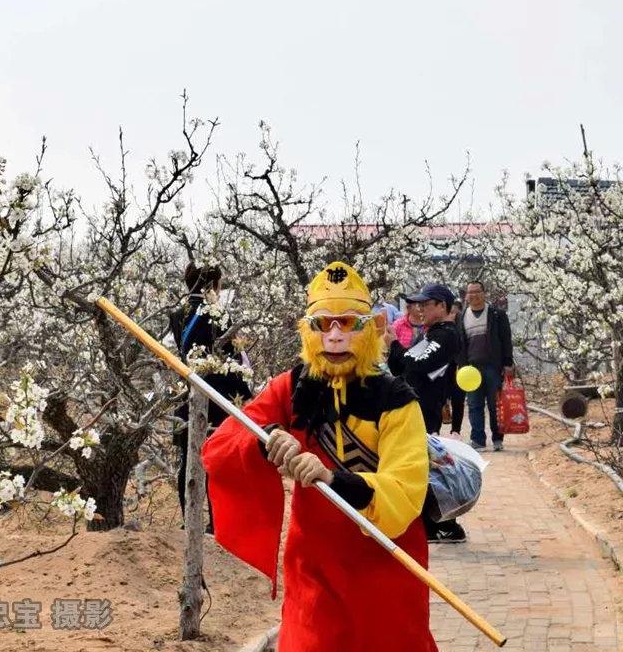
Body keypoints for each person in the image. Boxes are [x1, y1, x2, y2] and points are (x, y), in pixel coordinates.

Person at [202, 262, 437, 651]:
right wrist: (269, 438)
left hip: (386, 565)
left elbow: (405, 489)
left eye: (348, 323)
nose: (335, 336)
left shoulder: (396, 401)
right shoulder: (291, 387)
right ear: (308, 331)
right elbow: (223, 443)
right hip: (313, 566)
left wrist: (332, 478)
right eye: (323, 324)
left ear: (372, 328)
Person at [169, 262, 252, 533]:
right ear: (213, 284)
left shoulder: (177, 313)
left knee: (189, 459)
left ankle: (187, 519)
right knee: (216, 462)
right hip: (217, 396)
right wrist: (247, 393)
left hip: (188, 391)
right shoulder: (216, 313)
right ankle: (216, 524)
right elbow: (232, 357)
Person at [386, 284, 464, 544]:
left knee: (428, 467)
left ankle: (442, 523)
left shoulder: (447, 335)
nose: (420, 310)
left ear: (442, 307)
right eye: (417, 305)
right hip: (416, 405)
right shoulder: (433, 333)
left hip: (426, 408)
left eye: (426, 305)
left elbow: (417, 364)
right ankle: (435, 522)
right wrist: (392, 347)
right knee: (424, 465)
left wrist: (396, 345)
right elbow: (402, 365)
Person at [457, 281, 514, 452]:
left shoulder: (497, 315)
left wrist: (507, 363)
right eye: (470, 292)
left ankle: (497, 438)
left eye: (477, 291)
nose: (473, 295)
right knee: (474, 405)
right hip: (471, 369)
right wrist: (461, 365)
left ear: (484, 293)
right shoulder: (462, 316)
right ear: (466, 295)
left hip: (492, 367)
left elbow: (506, 340)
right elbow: (459, 344)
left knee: (494, 404)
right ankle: (478, 439)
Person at [444, 300, 466, 438]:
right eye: (449, 312)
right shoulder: (441, 328)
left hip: (460, 368)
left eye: (454, 312)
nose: (451, 315)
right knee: (440, 400)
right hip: (443, 369)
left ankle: (456, 431)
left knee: (458, 400)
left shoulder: (462, 329)